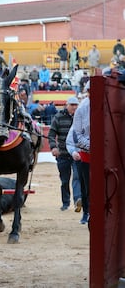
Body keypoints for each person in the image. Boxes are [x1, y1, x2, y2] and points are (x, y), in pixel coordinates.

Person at [48, 96, 81, 212]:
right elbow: (51, 134)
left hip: (77, 153)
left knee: (77, 177)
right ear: (66, 106)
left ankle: (78, 199)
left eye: (76, 105)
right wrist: (53, 147)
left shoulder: (80, 117)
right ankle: (66, 202)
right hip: (62, 153)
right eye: (72, 105)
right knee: (65, 180)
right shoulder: (58, 117)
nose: (74, 107)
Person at [69, 81, 90, 224]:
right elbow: (75, 137)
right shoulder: (83, 109)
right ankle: (87, 212)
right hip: (86, 155)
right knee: (85, 186)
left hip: (104, 154)